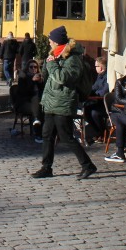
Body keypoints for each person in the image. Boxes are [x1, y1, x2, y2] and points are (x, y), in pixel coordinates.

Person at [32, 26, 97, 180]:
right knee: (47, 135)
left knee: (66, 136)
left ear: (56, 42)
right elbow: (49, 77)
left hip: (64, 102)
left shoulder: (73, 59)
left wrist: (53, 64)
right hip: (51, 101)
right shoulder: (55, 55)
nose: (49, 43)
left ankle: (88, 165)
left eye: (50, 41)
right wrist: (48, 64)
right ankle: (46, 167)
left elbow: (63, 78)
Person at [10, 59, 45, 139]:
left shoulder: (39, 78)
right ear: (27, 68)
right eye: (31, 67)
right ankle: (38, 135)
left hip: (35, 104)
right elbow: (24, 92)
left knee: (42, 108)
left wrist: (40, 83)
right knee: (38, 107)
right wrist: (32, 81)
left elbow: (43, 92)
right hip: (23, 103)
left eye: (35, 67)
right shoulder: (23, 78)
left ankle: (42, 132)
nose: (33, 69)